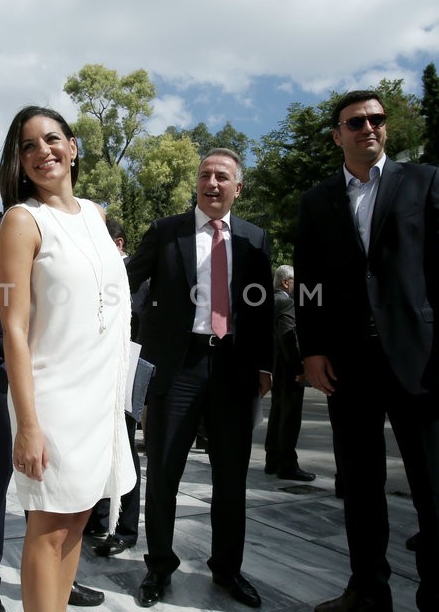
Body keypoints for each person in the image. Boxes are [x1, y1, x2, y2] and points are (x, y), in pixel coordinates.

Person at [295, 90, 439, 612]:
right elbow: (309, 283)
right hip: (349, 366)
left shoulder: (425, 182)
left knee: (438, 492)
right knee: (359, 486)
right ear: (338, 134)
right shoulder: (317, 200)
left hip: (424, 360)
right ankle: (367, 591)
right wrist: (312, 350)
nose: (368, 128)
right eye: (356, 122)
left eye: (376, 119)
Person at [0, 105, 134, 611]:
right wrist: (27, 424)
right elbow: (13, 327)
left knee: (76, 523)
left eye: (51, 139)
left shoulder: (97, 215)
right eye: (27, 145)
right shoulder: (22, 220)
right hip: (51, 400)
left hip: (98, 400)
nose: (41, 152)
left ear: (73, 147)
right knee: (49, 527)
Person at [128, 148, 272, 609]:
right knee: (164, 473)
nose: (212, 183)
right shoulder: (165, 232)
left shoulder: (254, 238)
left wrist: (266, 365)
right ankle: (158, 567)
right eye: (206, 175)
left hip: (234, 369)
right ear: (197, 182)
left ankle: (228, 569)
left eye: (222, 177)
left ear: (237, 187)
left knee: (231, 479)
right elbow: (123, 282)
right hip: (178, 366)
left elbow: (263, 308)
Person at [0, 212, 105, 612]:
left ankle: (58, 582)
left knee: (60, 486)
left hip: (59, 388)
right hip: (2, 385)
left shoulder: (68, 238)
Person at [86, 217, 145, 558]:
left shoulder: (134, 276)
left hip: (127, 367)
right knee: (95, 445)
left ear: (118, 243)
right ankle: (99, 515)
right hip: (94, 371)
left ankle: (125, 527)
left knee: (123, 447)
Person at [263, 265, 315, 481]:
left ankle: (272, 459)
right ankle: (286, 465)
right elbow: (288, 337)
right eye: (295, 281)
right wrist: (300, 368)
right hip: (287, 367)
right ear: (286, 282)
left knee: (277, 413)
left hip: (275, 366)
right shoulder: (286, 302)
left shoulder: (270, 301)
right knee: (289, 417)